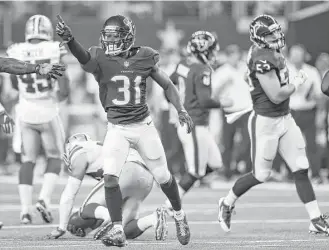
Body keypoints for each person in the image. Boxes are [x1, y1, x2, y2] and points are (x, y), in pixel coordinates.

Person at [55, 14, 193, 247]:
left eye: (115, 37)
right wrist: (70, 41)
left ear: (128, 38)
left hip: (143, 127)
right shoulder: (100, 58)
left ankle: (179, 216)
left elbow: (167, 84)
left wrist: (180, 109)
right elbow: (84, 57)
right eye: (107, 36)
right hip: (117, 128)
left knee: (163, 176)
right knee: (110, 177)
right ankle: (118, 229)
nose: (109, 41)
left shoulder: (145, 57)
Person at [217, 14, 329, 235]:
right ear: (259, 38)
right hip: (266, 123)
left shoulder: (270, 52)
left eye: (276, 32)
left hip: (285, 118)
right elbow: (277, 95)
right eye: (270, 34)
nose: (277, 36)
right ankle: (227, 202)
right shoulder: (261, 57)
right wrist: (296, 83)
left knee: (300, 167)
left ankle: (315, 219)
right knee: (261, 175)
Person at [6, 15, 69, 224]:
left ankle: (25, 210)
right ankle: (43, 198)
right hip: (48, 108)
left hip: (25, 109)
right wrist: (60, 96)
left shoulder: (16, 49)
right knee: (54, 157)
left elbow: (14, 82)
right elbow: (65, 86)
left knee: (28, 160)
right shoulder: (54, 49)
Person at [47, 133, 168, 241]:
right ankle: (153, 219)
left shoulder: (79, 154)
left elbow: (69, 195)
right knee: (123, 230)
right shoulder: (97, 147)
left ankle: (110, 217)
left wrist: (61, 227)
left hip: (126, 170)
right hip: (146, 177)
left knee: (86, 209)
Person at [167, 31, 223, 203]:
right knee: (196, 171)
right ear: (203, 50)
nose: (214, 54)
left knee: (215, 163)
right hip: (194, 124)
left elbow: (168, 85)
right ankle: (170, 204)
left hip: (189, 122)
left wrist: (176, 107)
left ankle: (185, 182)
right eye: (212, 50)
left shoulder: (183, 64)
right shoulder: (202, 69)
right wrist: (224, 103)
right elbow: (205, 101)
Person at [212, 44, 253, 179]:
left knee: (248, 140)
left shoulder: (245, 69)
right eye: (233, 56)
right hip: (229, 111)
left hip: (246, 109)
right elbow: (213, 95)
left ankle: (245, 168)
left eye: (238, 55)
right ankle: (227, 171)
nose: (236, 58)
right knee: (227, 141)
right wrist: (224, 85)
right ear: (228, 56)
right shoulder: (221, 72)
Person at [287, 44, 323, 184]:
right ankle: (291, 174)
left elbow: (319, 94)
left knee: (311, 144)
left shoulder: (312, 71)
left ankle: (315, 174)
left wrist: (315, 97)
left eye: (299, 54)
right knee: (291, 144)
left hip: (308, 111)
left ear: (304, 56)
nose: (296, 57)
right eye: (294, 54)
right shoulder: (285, 71)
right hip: (291, 111)